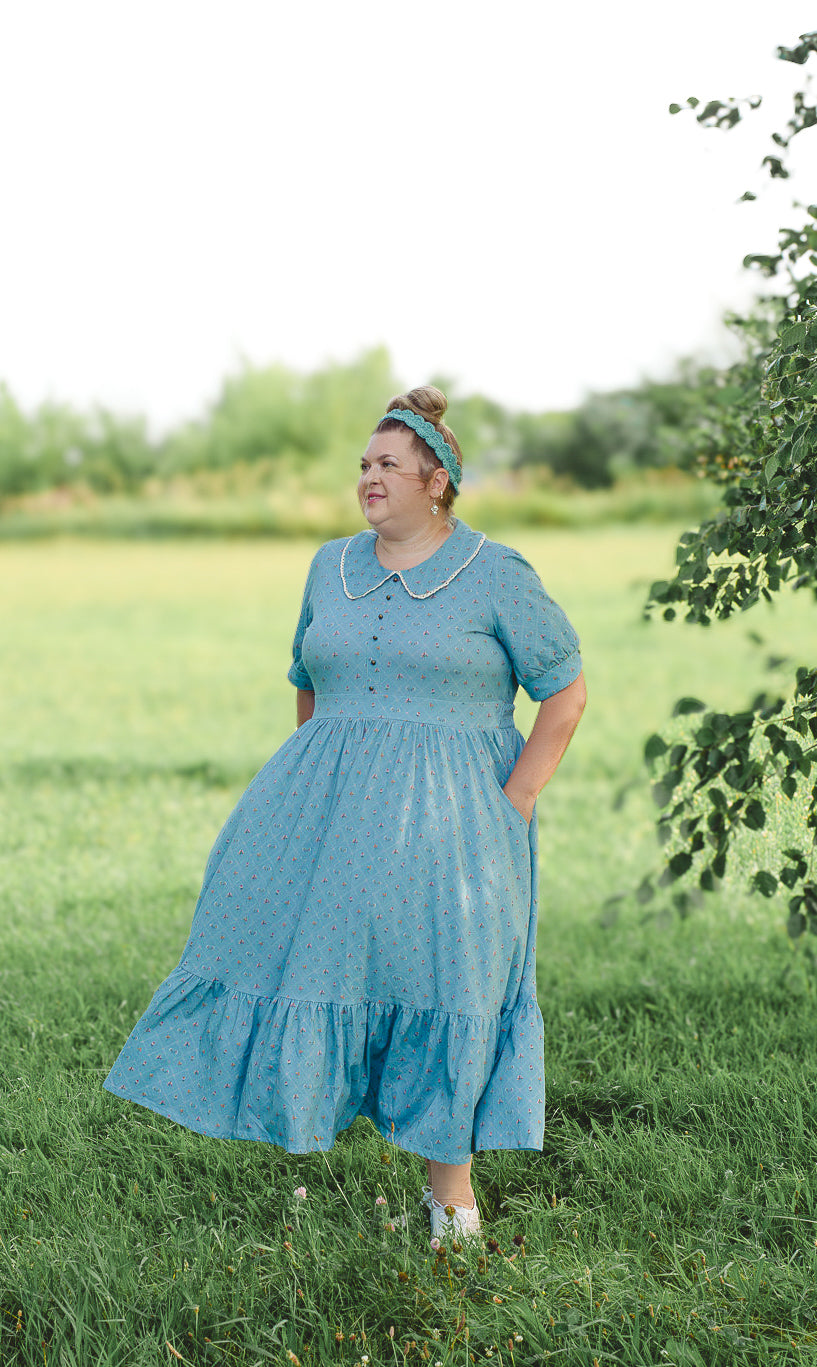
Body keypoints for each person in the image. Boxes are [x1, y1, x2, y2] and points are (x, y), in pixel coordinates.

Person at [103, 386, 586, 1242]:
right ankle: (304, 1112)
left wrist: (513, 799)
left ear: (436, 481)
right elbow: (306, 678)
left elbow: (564, 693)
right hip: (320, 817)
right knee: (307, 965)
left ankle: (453, 1201)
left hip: (458, 817)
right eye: (363, 464)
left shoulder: (495, 573)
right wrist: (311, 779)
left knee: (448, 982)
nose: (368, 477)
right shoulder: (329, 565)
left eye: (388, 465)